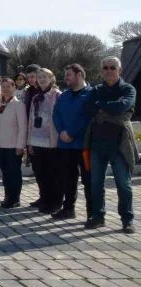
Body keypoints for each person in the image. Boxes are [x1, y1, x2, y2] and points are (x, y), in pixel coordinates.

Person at [85, 57, 137, 233]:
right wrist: (108, 107)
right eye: (105, 68)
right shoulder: (96, 90)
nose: (108, 70)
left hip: (120, 145)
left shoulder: (128, 89)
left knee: (123, 184)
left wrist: (101, 107)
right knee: (96, 183)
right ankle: (98, 217)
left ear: (120, 70)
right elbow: (88, 108)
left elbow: (123, 106)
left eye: (112, 67)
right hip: (97, 144)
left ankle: (127, 220)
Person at [51, 64, 92, 220]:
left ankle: (93, 213)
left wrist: (72, 132)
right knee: (67, 178)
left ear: (79, 75)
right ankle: (68, 209)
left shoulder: (91, 94)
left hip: (85, 146)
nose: (66, 78)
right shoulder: (64, 96)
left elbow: (88, 118)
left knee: (89, 179)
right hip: (66, 146)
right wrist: (62, 131)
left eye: (69, 75)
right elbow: (56, 114)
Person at [0, 78, 27, 209]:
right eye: (3, 87)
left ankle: (15, 198)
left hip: (13, 146)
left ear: (14, 88)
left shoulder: (19, 105)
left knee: (13, 173)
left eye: (8, 87)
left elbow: (23, 127)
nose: (5, 89)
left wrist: (20, 146)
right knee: (5, 173)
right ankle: (8, 196)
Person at [27, 68, 62, 214]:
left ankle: (55, 202)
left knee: (52, 173)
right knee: (40, 174)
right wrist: (29, 141)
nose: (41, 79)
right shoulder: (36, 97)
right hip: (36, 140)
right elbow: (30, 121)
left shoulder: (57, 95)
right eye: (39, 77)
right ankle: (44, 198)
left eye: (45, 77)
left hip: (51, 141)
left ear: (52, 78)